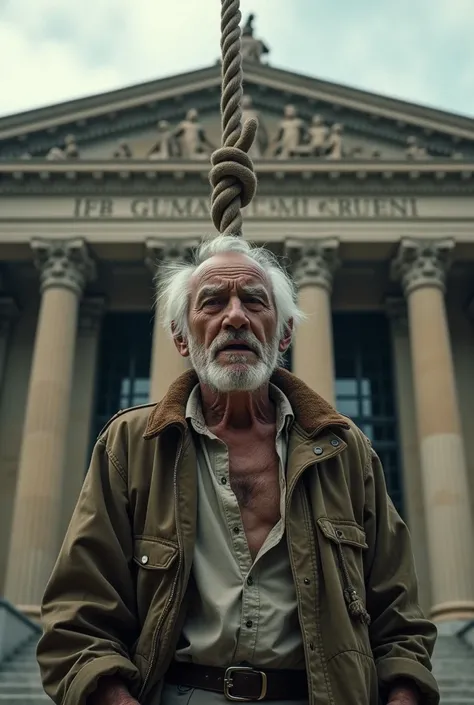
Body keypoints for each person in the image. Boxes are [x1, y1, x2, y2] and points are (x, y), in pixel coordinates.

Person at [37, 235, 440, 705]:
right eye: (211, 302)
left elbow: (399, 618)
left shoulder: (346, 451)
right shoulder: (131, 446)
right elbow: (78, 614)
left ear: (284, 333)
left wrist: (404, 693)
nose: (235, 317)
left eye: (254, 300)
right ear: (181, 337)